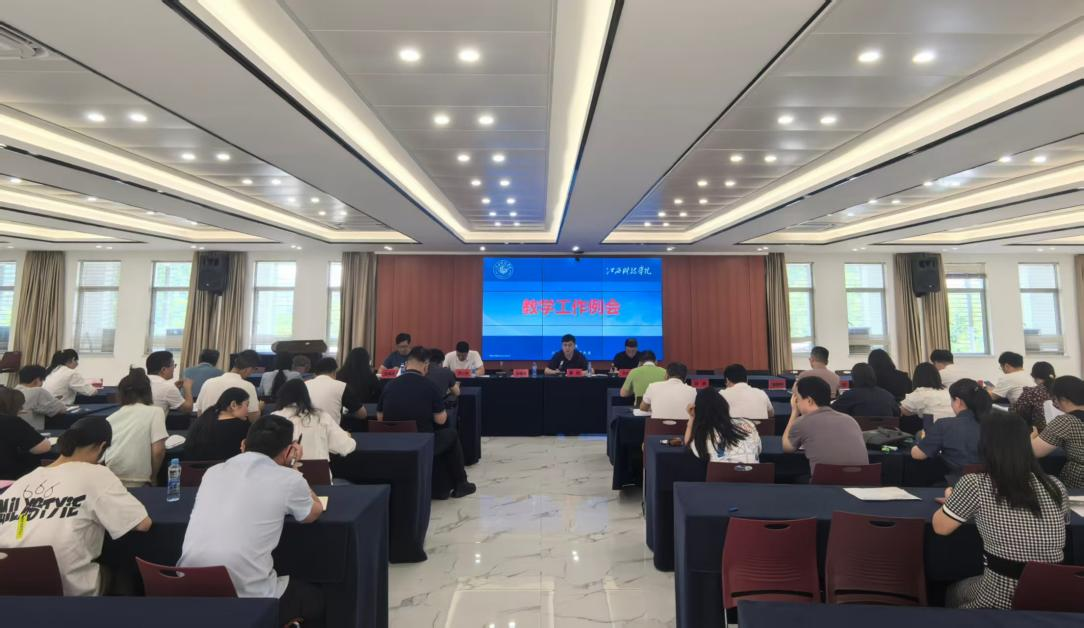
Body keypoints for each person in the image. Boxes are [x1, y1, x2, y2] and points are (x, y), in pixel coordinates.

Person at [179, 415, 325, 627]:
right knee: (316, 598)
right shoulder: (289, 479)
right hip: (248, 600)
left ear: (243, 444)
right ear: (289, 451)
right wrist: (293, 469)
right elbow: (314, 512)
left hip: (188, 587)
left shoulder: (213, 472)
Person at [0, 416, 152, 596]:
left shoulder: (20, 482)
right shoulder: (95, 474)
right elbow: (142, 524)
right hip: (71, 590)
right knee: (125, 571)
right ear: (102, 447)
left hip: (10, 588)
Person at [933, 411, 1067, 609]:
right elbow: (1062, 524)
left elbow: (940, 527)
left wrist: (952, 499)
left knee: (951, 591)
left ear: (985, 444)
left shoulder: (975, 483)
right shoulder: (1055, 485)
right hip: (1054, 594)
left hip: (1001, 597)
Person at [378, 347, 475, 498]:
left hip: (393, 442)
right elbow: (441, 419)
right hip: (421, 442)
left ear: (407, 364)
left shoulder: (390, 385)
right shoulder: (429, 386)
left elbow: (380, 418)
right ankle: (461, 483)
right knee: (451, 434)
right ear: (425, 366)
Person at [911, 379, 989, 484]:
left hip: (957, 485)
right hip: (994, 487)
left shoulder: (944, 425)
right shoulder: (998, 425)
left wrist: (920, 439)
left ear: (958, 401)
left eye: (951, 401)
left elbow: (918, 455)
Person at [782, 376, 868, 472]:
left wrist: (794, 412)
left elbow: (787, 447)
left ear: (809, 401)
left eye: (797, 399)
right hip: (863, 479)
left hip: (825, 480)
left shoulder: (802, 422)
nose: (796, 403)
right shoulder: (850, 420)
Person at [102, 370, 168, 488]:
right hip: (138, 479)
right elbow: (158, 451)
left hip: (110, 477)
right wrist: (153, 477)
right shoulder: (156, 411)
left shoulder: (111, 418)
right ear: (148, 392)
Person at [273, 380, 356, 463]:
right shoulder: (321, 416)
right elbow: (345, 447)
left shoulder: (273, 417)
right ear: (306, 396)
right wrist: (346, 436)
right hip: (317, 470)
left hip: (282, 470)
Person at [684, 386, 761, 463]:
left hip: (721, 471)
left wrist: (692, 417)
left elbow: (688, 442)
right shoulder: (748, 423)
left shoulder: (702, 436)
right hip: (755, 470)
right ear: (724, 405)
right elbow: (758, 450)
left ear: (699, 413)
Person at [1032, 375, 1084, 489]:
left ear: (1063, 399)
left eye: (1054, 399)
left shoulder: (1066, 421)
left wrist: (1032, 435)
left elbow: (1034, 451)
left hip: (1078, 483)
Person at [185, 387, 252, 462]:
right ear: (233, 405)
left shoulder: (204, 419)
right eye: (247, 405)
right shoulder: (242, 426)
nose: (248, 410)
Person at [0, 387, 50, 479]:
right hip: (11, 477)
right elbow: (43, 447)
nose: (22, 409)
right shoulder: (12, 422)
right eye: (20, 406)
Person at [194, 349, 260, 420]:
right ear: (248, 369)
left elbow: (199, 412)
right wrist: (259, 407)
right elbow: (253, 417)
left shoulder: (208, 382)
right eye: (254, 369)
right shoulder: (248, 386)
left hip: (206, 426)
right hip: (233, 427)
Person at [830, 363, 899, 417]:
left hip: (858, 430)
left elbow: (832, 411)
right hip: (886, 430)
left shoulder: (849, 395)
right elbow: (897, 413)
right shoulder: (887, 395)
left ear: (854, 378)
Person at [310, 357, 366, 424]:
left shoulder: (304, 385)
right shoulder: (341, 386)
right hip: (331, 429)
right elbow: (362, 414)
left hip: (304, 429)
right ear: (334, 372)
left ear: (315, 374)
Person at [14, 365, 66, 430]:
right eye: (42, 381)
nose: (42, 384)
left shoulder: (13, 391)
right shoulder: (38, 391)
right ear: (37, 379)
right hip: (34, 432)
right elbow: (61, 409)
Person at [146, 350, 193, 416]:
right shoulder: (168, 387)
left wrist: (175, 388)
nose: (174, 368)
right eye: (173, 365)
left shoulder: (140, 381)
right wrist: (187, 388)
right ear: (164, 370)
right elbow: (188, 409)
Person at [1011, 361, 1055, 431]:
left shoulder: (1032, 392)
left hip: (1038, 432)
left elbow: (1018, 412)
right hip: (1060, 430)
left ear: (1034, 375)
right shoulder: (1060, 389)